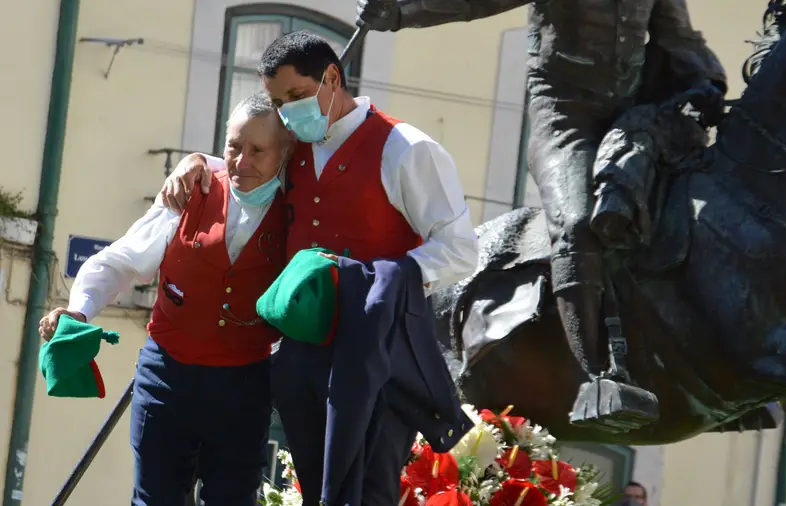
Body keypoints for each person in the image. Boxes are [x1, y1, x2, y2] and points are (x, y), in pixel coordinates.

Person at [355, 0, 727, 427]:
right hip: (566, 115)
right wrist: (402, 10)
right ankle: (600, 377)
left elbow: (678, 35)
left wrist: (705, 81)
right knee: (574, 224)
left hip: (631, 117)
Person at [157, 31, 478, 506]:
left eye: (297, 96)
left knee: (367, 492)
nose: (287, 111)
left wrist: (371, 283)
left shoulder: (406, 148)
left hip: (376, 353)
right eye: (277, 101)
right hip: (301, 355)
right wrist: (193, 162)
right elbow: (243, 161)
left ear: (332, 77)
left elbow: (458, 250)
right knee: (315, 491)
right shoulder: (292, 145)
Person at [39, 92, 294, 506]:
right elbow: (121, 260)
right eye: (233, 146)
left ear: (284, 154)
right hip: (167, 378)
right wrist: (79, 308)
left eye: (258, 151)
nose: (241, 161)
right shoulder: (189, 192)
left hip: (242, 387)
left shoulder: (296, 212)